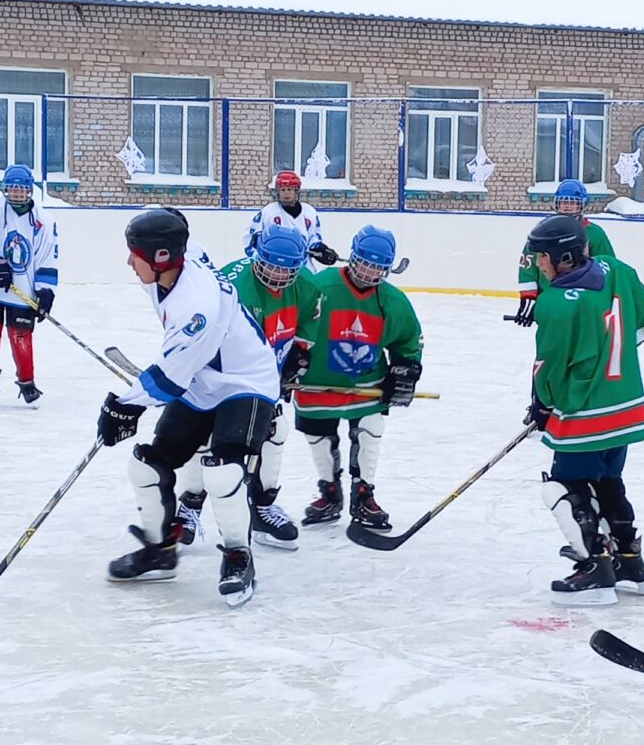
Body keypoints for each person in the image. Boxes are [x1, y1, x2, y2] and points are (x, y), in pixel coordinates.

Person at [97, 209, 282, 608]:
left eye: (135, 254)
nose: (129, 262)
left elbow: (168, 380)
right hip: (203, 380)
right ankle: (160, 550)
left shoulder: (195, 307)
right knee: (146, 464)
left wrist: (122, 408)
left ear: (162, 257)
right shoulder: (181, 258)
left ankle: (238, 556)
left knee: (223, 470)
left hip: (247, 382)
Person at [524, 215, 644, 606]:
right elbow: (642, 314)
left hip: (586, 413)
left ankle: (595, 564)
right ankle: (629, 561)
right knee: (608, 481)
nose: (538, 265)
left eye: (541, 258)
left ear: (562, 257)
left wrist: (543, 404)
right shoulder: (616, 269)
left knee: (564, 485)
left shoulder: (554, 305)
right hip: (625, 406)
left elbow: (549, 366)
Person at [177, 223, 322, 551]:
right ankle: (189, 506)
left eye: (288, 269)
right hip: (221, 378)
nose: (279, 276)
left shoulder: (306, 286)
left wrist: (299, 354)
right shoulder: (231, 284)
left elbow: (308, 322)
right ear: (256, 256)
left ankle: (262, 507)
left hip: (264, 380)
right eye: (272, 266)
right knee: (203, 439)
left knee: (275, 433)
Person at [294, 225, 423, 531]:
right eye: (365, 263)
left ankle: (363, 494)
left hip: (367, 385)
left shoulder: (393, 301)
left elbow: (409, 340)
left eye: (378, 267)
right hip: (315, 380)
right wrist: (287, 359)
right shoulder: (319, 285)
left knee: (370, 429)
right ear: (352, 258)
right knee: (318, 436)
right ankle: (329, 492)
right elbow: (291, 321)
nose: (369, 273)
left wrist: (405, 369)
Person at [0, 164, 57, 404]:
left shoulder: (44, 221)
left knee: (21, 334)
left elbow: (46, 258)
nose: (16, 194)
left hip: (22, 290)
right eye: (12, 189)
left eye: (21, 189)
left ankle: (27, 382)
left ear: (29, 191)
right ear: (5, 189)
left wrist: (45, 292)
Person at [515, 178, 615, 327]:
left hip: (583, 301)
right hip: (550, 298)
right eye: (563, 202)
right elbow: (528, 264)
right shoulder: (544, 230)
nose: (567, 206)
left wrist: (603, 302)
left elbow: (606, 267)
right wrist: (529, 297)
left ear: (582, 205)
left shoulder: (595, 234)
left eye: (572, 202)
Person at [244, 170, 337, 271]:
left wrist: (320, 249)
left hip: (303, 268)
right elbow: (250, 237)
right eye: (282, 190)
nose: (286, 193)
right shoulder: (269, 212)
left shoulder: (309, 212)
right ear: (278, 192)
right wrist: (261, 258)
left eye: (289, 189)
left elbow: (313, 238)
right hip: (275, 268)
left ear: (296, 191)